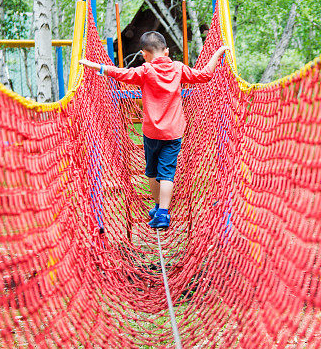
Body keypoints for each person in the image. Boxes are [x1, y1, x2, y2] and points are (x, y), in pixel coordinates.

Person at [80, 31, 229, 229]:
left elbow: (121, 74)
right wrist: (217, 53)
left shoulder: (145, 70)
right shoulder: (178, 68)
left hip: (151, 132)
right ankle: (163, 213)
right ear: (166, 51)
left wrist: (98, 66)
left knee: (151, 171)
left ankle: (159, 206)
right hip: (174, 132)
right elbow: (204, 75)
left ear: (144, 54)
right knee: (167, 172)